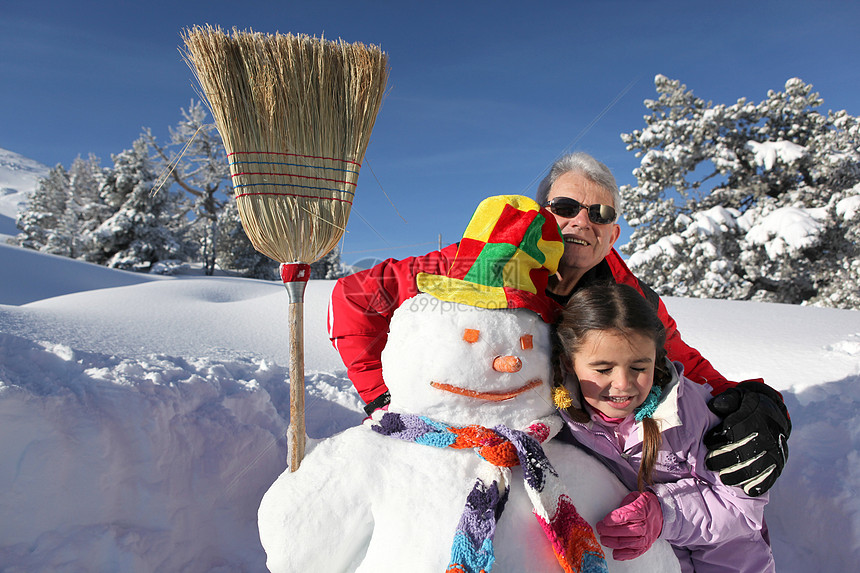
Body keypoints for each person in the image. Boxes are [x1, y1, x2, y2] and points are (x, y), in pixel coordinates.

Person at [327, 151, 790, 496]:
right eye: (566, 207)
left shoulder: (629, 298)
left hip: (558, 448)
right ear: (541, 214)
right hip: (455, 441)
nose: (581, 222)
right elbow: (353, 298)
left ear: (614, 234)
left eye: (600, 214)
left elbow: (684, 365)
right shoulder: (485, 261)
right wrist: (382, 397)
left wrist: (761, 406)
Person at [553, 282, 776, 572]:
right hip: (654, 560)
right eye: (603, 368)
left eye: (638, 367)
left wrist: (664, 513)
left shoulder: (688, 413)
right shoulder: (567, 415)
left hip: (730, 558)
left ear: (656, 359)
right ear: (569, 363)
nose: (622, 384)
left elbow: (743, 507)